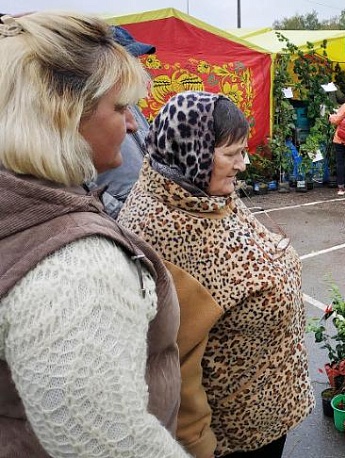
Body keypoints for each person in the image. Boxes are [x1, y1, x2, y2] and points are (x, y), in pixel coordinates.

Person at [0, 12, 187, 457]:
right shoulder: (74, 265)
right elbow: (111, 443)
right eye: (120, 108)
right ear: (62, 114)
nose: (133, 126)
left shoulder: (31, 207)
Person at [118, 91, 314, 458]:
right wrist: (199, 447)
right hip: (232, 436)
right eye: (232, 153)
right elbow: (171, 360)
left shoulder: (201, 191)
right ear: (192, 151)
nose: (243, 164)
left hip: (264, 412)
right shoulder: (163, 229)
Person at [86, 26, 156, 219]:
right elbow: (77, 179)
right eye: (130, 58)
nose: (136, 64)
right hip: (120, 213)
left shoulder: (131, 105)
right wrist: (118, 209)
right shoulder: (86, 111)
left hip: (145, 206)